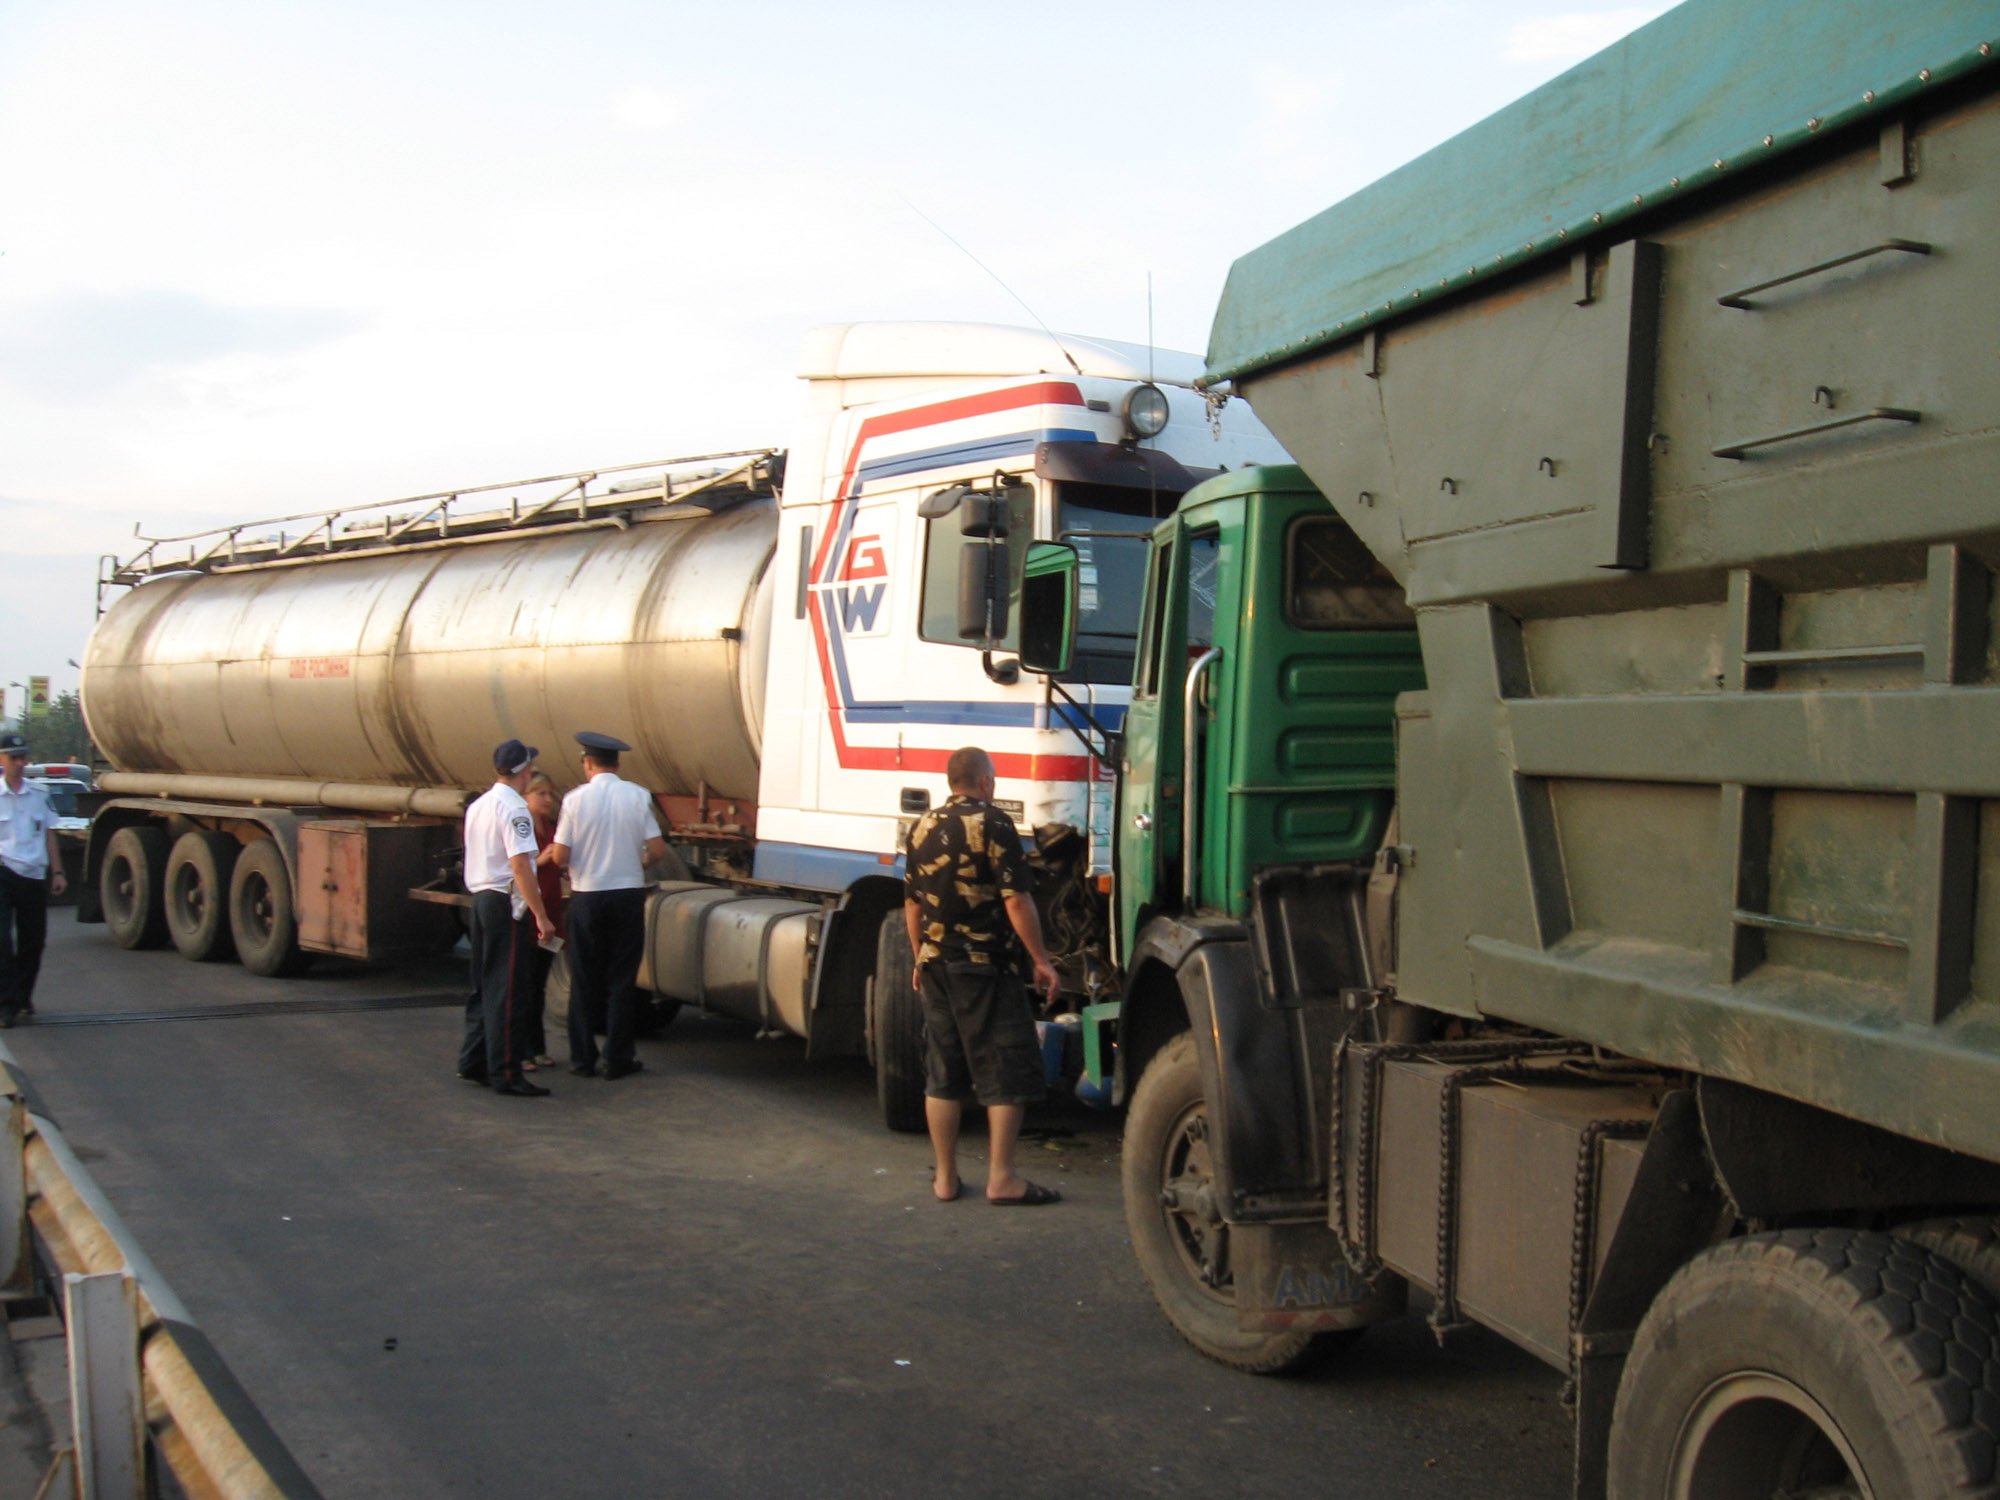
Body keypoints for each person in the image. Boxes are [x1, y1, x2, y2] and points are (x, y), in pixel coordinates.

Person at [904, 745, 1063, 1205]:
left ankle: (945, 1179)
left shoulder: (922, 826)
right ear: (985, 782)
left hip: (935, 965)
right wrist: (1041, 958)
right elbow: (1016, 899)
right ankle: (1002, 1179)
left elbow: (912, 903)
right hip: (984, 966)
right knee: (1004, 1069)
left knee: (943, 1071)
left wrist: (919, 957)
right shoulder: (994, 824)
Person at [547, 731, 666, 1081]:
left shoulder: (574, 800)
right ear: (618, 763)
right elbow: (657, 850)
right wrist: (635, 864)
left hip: (587, 896)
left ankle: (583, 1059)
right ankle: (618, 1059)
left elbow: (560, 854)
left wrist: (573, 866)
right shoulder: (638, 796)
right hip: (627, 894)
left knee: (584, 979)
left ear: (587, 763)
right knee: (621, 979)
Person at [458, 739, 558, 1097]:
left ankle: (473, 1059)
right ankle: (507, 1072)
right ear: (525, 771)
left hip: (481, 898)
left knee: (484, 984)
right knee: (509, 989)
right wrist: (541, 914)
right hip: (505, 903)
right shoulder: (515, 809)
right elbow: (520, 865)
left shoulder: (481, 804)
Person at [0, 732, 66, 1028]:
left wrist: (59, 871)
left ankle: (23, 994)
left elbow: (50, 833)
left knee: (33, 942)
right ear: (2, 760)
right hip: (2, 870)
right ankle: (7, 1003)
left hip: (32, 874)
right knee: (2, 942)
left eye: (23, 757)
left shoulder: (39, 793)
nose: (20, 763)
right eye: (14, 758)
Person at [523, 770, 566, 1070]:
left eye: (550, 794)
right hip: (530, 916)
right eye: (541, 794)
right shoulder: (522, 828)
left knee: (539, 983)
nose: (548, 800)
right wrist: (541, 860)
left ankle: (537, 1047)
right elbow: (516, 869)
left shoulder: (551, 827)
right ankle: (523, 1048)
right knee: (524, 984)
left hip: (552, 914)